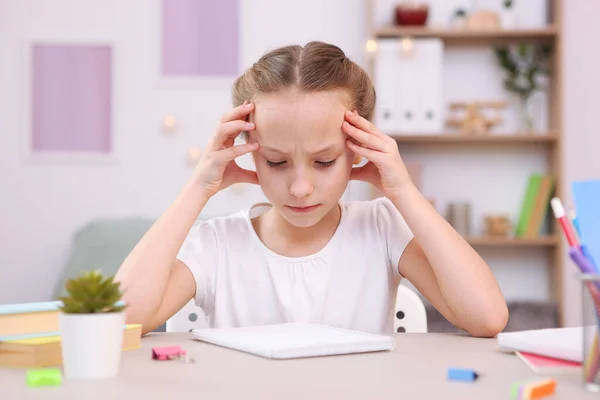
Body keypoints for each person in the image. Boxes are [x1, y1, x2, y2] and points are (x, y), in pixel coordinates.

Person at [115, 41, 508, 337]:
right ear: (247, 151)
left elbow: (487, 317)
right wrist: (197, 189)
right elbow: (119, 324)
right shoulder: (219, 244)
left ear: (358, 149)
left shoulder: (382, 228)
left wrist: (402, 190)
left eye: (323, 162)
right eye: (275, 161)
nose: (300, 188)